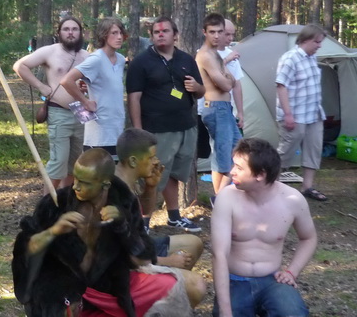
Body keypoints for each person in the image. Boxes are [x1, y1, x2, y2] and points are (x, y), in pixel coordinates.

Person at [12, 148, 190, 317]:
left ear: (105, 183)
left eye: (84, 182)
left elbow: (142, 260)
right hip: (62, 294)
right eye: (76, 178)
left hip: (107, 290)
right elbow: (26, 250)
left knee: (178, 286)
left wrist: (122, 226)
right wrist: (53, 231)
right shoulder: (55, 205)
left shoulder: (124, 204)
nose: (75, 186)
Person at [211, 138, 317, 317]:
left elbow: (308, 237)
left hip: (272, 281)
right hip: (234, 281)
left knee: (293, 313)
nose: (231, 171)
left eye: (239, 167)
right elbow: (218, 254)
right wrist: (225, 310)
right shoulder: (227, 198)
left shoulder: (292, 200)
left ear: (260, 174)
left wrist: (292, 272)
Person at [125, 16, 205, 233]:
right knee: (151, 177)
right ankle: (143, 223)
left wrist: (197, 87)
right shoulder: (141, 62)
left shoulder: (186, 60)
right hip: (156, 130)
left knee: (174, 174)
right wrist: (139, 131)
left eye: (165, 31)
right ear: (151, 36)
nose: (160, 34)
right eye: (156, 32)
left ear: (175, 35)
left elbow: (201, 92)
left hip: (185, 127)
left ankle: (174, 216)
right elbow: (134, 98)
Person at [114, 128, 206, 308]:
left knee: (193, 244)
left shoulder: (128, 180)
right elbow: (122, 254)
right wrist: (167, 261)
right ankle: (159, 299)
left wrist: (151, 187)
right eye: (151, 157)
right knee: (196, 286)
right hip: (125, 266)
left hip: (141, 247)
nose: (156, 161)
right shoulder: (114, 193)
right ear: (133, 161)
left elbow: (144, 212)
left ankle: (163, 303)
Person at [13, 17, 89, 191]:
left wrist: (87, 88)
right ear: (59, 33)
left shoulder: (87, 56)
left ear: (80, 33)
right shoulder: (50, 52)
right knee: (58, 162)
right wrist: (41, 86)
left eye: (75, 29)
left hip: (81, 114)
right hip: (58, 113)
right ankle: (47, 202)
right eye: (66, 29)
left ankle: (64, 199)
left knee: (76, 163)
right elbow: (20, 66)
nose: (70, 33)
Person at [61, 17, 127, 160]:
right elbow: (66, 81)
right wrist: (85, 102)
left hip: (117, 128)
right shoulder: (96, 59)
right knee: (98, 172)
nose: (119, 37)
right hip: (99, 132)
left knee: (115, 171)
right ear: (104, 35)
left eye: (121, 33)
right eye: (114, 33)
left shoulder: (121, 59)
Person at [276, 24, 328, 201]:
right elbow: (281, 86)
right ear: (306, 39)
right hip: (294, 115)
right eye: (317, 42)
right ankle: (271, 186)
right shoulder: (290, 58)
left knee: (314, 149)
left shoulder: (312, 58)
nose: (319, 45)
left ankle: (307, 187)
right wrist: (288, 114)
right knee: (285, 152)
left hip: (314, 113)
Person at [196, 13, 242, 196]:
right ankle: (219, 198)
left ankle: (220, 197)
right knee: (223, 158)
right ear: (204, 32)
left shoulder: (216, 55)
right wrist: (226, 76)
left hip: (225, 108)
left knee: (238, 151)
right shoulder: (205, 55)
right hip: (215, 108)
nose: (217, 36)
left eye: (220, 32)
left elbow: (232, 82)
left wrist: (226, 76)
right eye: (212, 32)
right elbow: (226, 84)